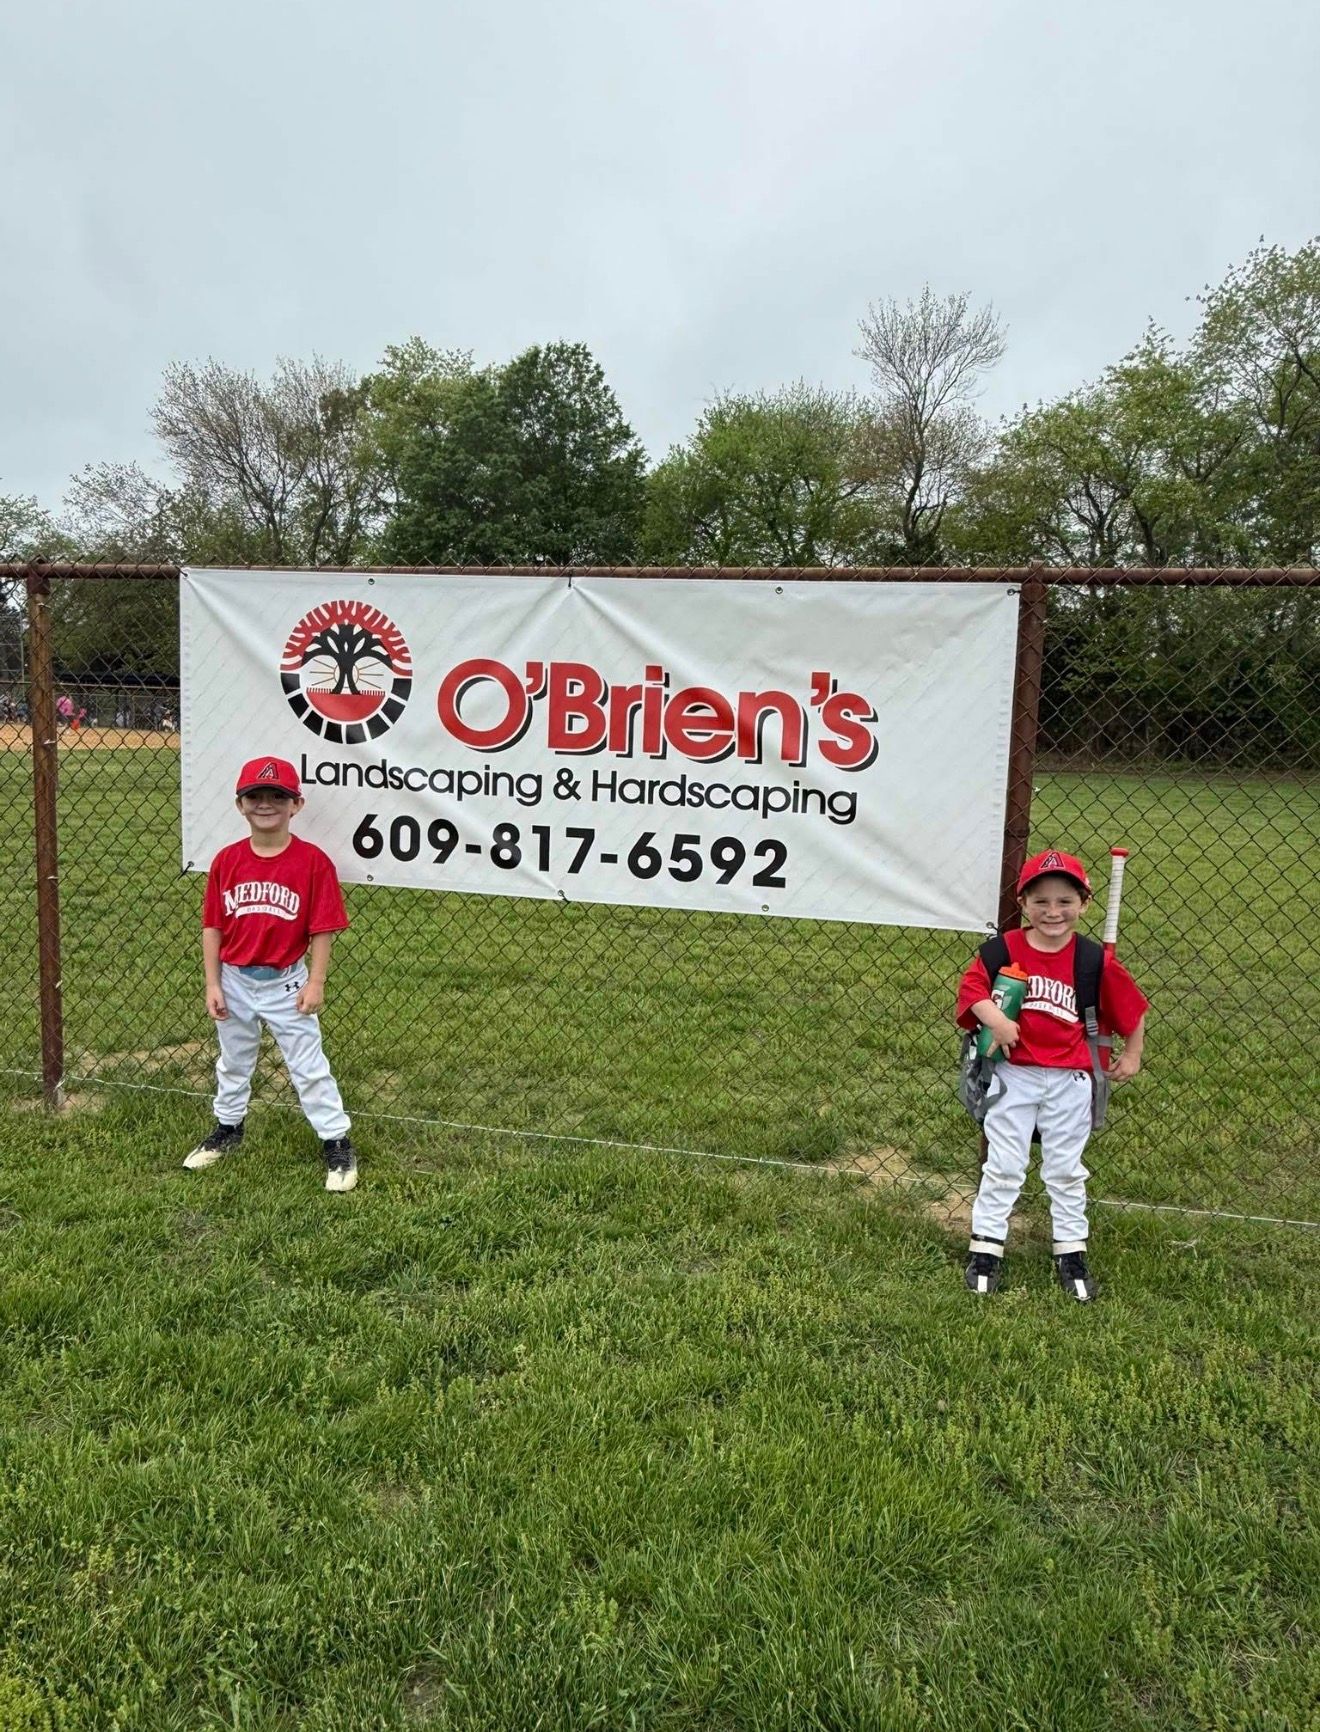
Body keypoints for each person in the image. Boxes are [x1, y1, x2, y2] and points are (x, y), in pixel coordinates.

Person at [956, 849, 1148, 1302]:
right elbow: (971, 990)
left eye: (1065, 901)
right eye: (1040, 901)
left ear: (1084, 903)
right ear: (1023, 903)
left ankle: (1071, 1250)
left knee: (1065, 1169)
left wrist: (1134, 1052)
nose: (1053, 912)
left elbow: (1131, 1009)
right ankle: (986, 1248)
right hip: (1013, 1075)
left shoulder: (1092, 960)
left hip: (1070, 1080)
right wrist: (997, 1021)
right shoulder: (1002, 949)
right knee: (1003, 1165)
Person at [183, 755, 359, 1192]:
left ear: (296, 805)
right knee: (234, 1061)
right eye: (255, 796)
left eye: (277, 796)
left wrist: (316, 982)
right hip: (235, 979)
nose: (266, 804)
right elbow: (213, 927)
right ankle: (228, 1129)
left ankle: (336, 1141)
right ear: (240, 805)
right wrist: (213, 983)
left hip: (287, 982)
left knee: (307, 1065)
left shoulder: (312, 862)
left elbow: (322, 929)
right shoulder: (227, 861)